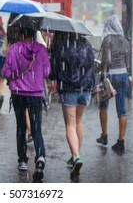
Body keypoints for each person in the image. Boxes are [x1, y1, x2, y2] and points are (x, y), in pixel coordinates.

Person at [2, 25, 51, 182]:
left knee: (21, 126)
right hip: (36, 94)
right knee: (36, 128)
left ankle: (23, 160)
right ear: (35, 34)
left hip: (18, 94)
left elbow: (6, 72)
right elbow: (47, 73)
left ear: (22, 34)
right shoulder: (42, 50)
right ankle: (41, 156)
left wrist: (15, 75)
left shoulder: (14, 48)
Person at [49, 31, 95, 179]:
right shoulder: (86, 44)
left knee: (70, 125)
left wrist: (53, 77)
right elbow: (91, 64)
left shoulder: (61, 46)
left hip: (69, 88)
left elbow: (54, 69)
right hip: (85, 88)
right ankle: (76, 155)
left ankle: (76, 157)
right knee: (78, 121)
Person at [96, 14, 131, 152]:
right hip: (123, 75)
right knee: (122, 109)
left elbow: (107, 61)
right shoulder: (125, 41)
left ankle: (104, 136)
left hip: (110, 76)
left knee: (103, 106)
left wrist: (103, 74)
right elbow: (128, 63)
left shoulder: (107, 40)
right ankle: (121, 141)